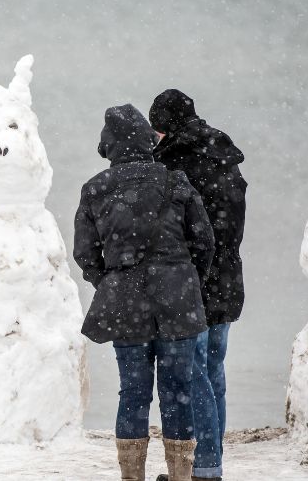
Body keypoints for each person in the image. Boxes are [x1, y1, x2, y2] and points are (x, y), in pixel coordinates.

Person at [74, 104, 215, 481]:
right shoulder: (177, 183)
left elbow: (85, 254)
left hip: (126, 304)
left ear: (110, 146)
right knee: (177, 392)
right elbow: (205, 243)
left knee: (133, 393)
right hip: (178, 299)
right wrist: (184, 278)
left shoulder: (95, 189)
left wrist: (110, 280)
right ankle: (182, 476)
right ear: (147, 142)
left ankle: (131, 477)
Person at [149, 89, 247, 481]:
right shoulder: (224, 155)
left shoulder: (175, 163)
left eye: (157, 130)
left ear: (165, 127)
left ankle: (205, 469)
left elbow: (180, 231)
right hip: (228, 277)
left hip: (195, 281)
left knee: (194, 376)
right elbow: (230, 224)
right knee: (214, 372)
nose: (155, 138)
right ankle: (212, 461)